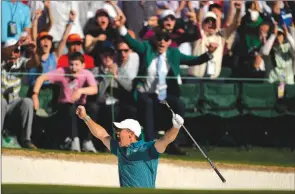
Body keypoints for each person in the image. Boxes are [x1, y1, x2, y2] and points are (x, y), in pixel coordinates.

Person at [113, 14, 217, 155]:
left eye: (166, 39)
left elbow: (194, 60)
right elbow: (132, 42)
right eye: (159, 38)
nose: (162, 42)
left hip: (164, 95)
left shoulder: (174, 53)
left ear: (169, 42)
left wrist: (209, 53)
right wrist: (121, 27)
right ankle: (150, 145)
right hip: (145, 92)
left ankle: (172, 143)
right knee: (148, 103)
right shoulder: (146, 49)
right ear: (155, 40)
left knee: (179, 105)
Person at [75, 105, 184, 188]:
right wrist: (85, 117)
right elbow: (102, 135)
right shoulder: (120, 149)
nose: (117, 133)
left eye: (120, 131)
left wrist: (176, 127)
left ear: (131, 134)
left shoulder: (148, 149)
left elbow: (165, 140)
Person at [32, 52, 98, 152]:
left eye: (77, 65)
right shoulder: (62, 71)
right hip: (65, 106)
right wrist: (35, 95)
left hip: (81, 106)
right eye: (71, 64)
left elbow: (94, 89)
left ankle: (87, 141)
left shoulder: (87, 74)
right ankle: (74, 140)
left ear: (83, 65)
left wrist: (80, 91)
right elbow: (41, 78)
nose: (73, 68)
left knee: (93, 107)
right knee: (71, 108)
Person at [1, 38, 40, 149]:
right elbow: (3, 54)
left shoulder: (21, 62)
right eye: (12, 51)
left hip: (13, 103)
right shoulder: (1, 59)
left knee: (27, 101)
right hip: (1, 102)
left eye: (17, 51)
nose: (13, 54)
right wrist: (16, 45)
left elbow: (36, 62)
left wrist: (34, 52)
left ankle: (26, 139)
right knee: (1, 101)